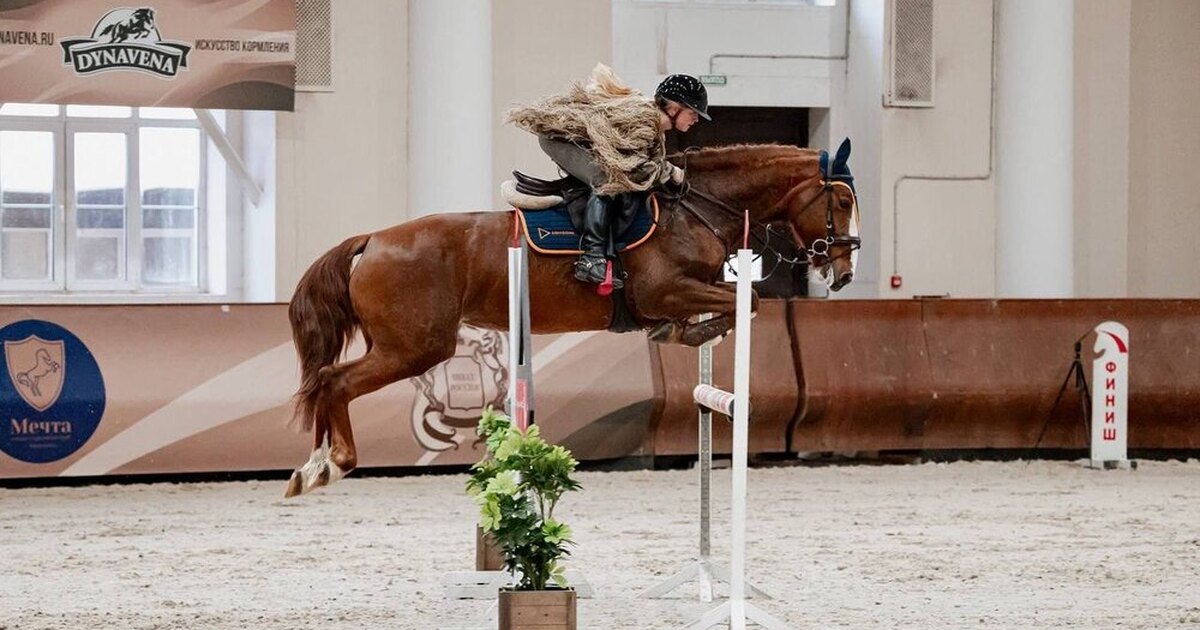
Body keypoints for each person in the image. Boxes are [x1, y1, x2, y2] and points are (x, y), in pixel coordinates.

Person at [507, 64, 711, 289]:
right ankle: (592, 258)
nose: (696, 119)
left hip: (576, 142)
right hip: (557, 140)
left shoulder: (657, 129)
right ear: (673, 108)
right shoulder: (644, 120)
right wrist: (670, 172)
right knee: (608, 182)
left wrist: (666, 172)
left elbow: (647, 167)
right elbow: (633, 168)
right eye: (693, 112)